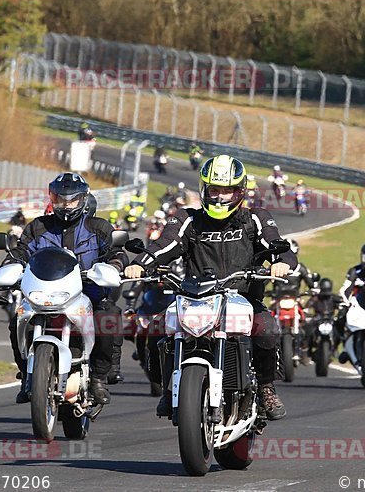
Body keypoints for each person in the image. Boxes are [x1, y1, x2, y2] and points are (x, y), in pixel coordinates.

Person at [124, 155, 297, 421]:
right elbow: (165, 244)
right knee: (155, 329)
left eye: (227, 191)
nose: (220, 197)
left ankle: (265, 388)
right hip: (196, 297)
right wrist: (141, 263)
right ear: (205, 190)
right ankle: (169, 388)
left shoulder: (255, 218)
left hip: (243, 297)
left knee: (268, 329)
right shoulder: (188, 219)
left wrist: (281, 262)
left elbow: (275, 243)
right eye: (215, 190)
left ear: (239, 191)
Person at [0, 172, 127, 405]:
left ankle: (98, 379)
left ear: (83, 200)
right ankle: (27, 375)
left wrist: (114, 266)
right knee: (18, 319)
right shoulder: (38, 227)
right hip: (44, 292)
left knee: (108, 317)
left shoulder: (98, 227)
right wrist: (9, 269)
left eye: (72, 200)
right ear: (52, 199)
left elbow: (117, 253)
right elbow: (20, 252)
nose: (66, 205)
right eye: (60, 199)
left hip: (87, 292)